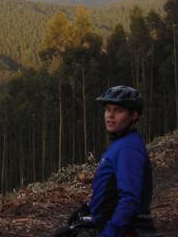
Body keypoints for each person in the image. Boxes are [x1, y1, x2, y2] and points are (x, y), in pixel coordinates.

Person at [58, 85, 158, 237]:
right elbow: (109, 190)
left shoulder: (128, 148)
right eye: (108, 109)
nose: (110, 116)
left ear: (133, 116)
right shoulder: (120, 144)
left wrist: (109, 234)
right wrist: (89, 208)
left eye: (118, 110)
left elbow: (129, 199)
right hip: (109, 223)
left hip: (126, 230)